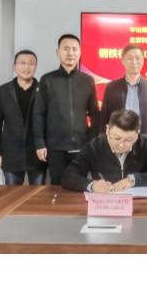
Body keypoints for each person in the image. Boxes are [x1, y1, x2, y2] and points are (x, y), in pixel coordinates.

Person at [34, 34, 100, 185]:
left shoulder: (87, 80)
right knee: (57, 186)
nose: (71, 53)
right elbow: (38, 114)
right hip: (55, 147)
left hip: (82, 146)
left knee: (79, 185)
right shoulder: (47, 80)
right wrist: (40, 143)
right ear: (57, 52)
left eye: (74, 49)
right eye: (66, 49)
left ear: (80, 53)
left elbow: (95, 114)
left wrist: (92, 141)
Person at [62, 109, 147, 193]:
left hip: (137, 205)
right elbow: (68, 176)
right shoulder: (95, 147)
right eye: (117, 138)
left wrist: (133, 180)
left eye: (129, 140)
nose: (121, 145)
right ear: (107, 129)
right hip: (105, 204)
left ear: (137, 133)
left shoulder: (145, 145)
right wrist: (92, 185)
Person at [0, 50, 47, 186]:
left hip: (37, 153)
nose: (27, 67)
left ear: (36, 66)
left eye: (31, 63)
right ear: (14, 66)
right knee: (12, 195)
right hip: (11, 154)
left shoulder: (44, 90)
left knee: (37, 194)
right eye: (22, 63)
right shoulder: (2, 91)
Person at [100, 44, 147, 135]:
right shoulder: (111, 87)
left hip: (145, 139)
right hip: (119, 139)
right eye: (129, 58)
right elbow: (104, 118)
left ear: (143, 61)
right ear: (122, 61)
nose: (134, 62)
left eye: (138, 58)